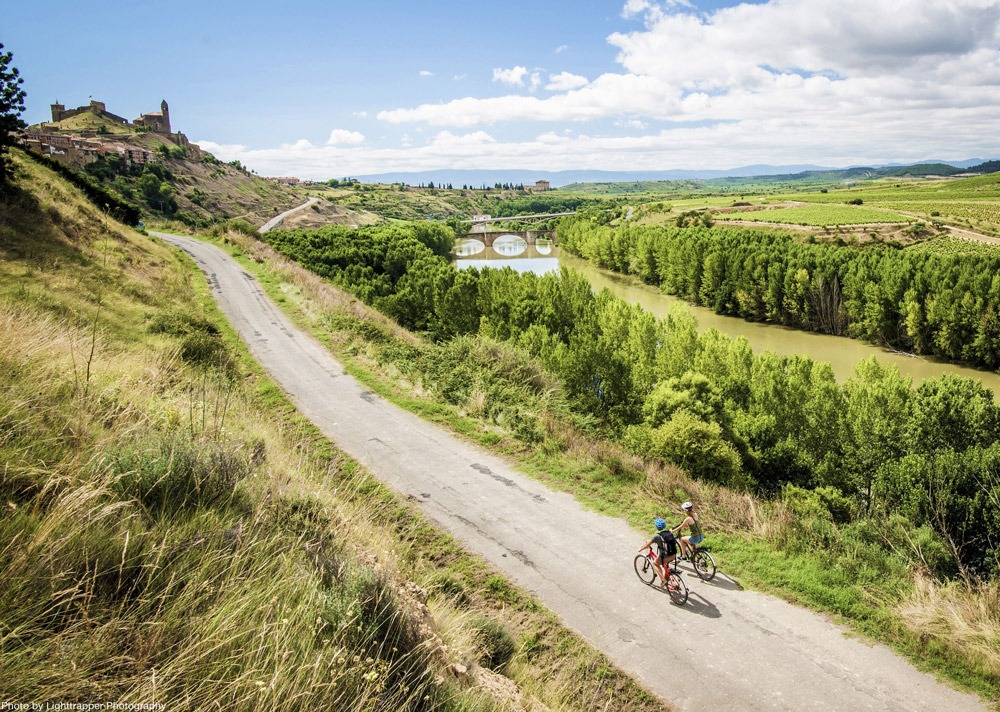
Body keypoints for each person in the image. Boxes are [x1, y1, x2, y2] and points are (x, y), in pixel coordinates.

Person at [638, 518, 678, 588]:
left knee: (655, 563)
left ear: (656, 527)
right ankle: (668, 577)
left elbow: (647, 545)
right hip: (674, 555)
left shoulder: (657, 536)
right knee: (664, 564)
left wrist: (640, 549)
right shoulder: (669, 532)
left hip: (666, 557)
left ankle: (663, 580)